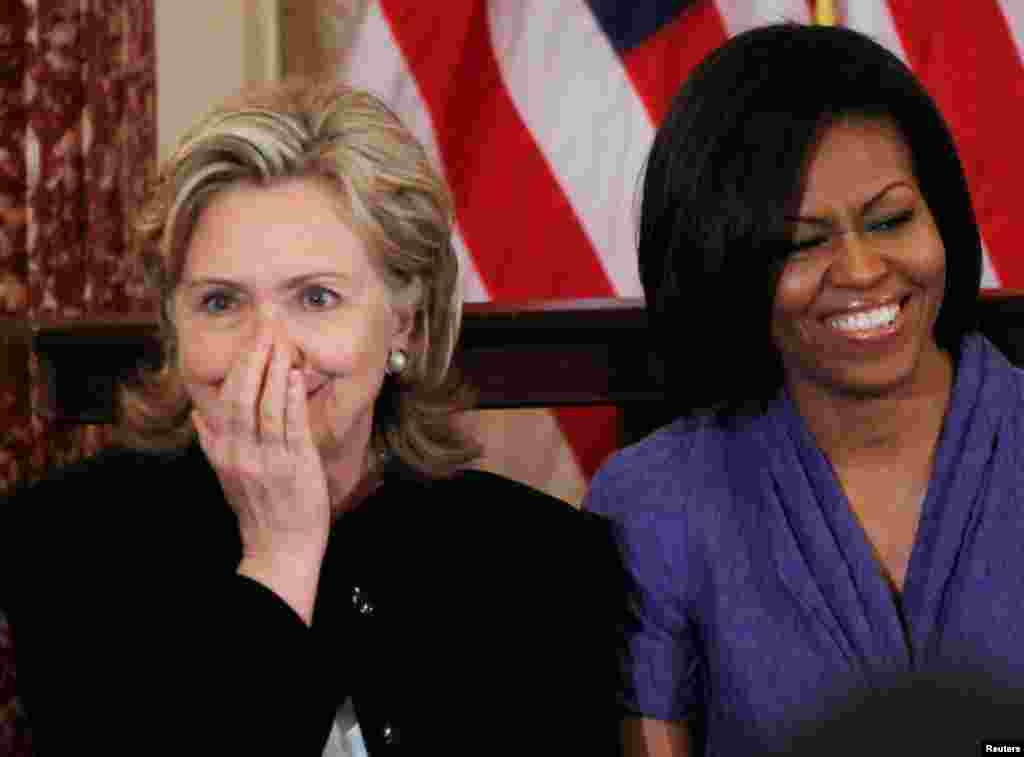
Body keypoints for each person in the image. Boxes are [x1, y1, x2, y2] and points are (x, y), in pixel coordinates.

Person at [2, 79, 622, 756]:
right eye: (220, 303)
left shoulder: (548, 566)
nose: (269, 348)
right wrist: (279, 558)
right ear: (174, 327)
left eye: (317, 297)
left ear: (404, 326)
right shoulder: (62, 542)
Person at [584, 22, 1024, 757]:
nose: (860, 269)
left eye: (890, 220)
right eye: (802, 241)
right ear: (724, 263)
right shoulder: (657, 503)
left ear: (942, 215)